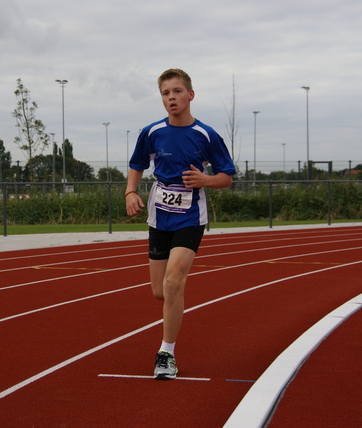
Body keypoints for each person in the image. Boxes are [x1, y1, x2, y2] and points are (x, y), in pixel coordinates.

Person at [125, 68, 236, 379]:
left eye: (176, 91)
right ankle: (174, 304)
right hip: (160, 214)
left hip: (190, 215)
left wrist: (206, 180)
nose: (171, 98)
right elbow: (137, 164)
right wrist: (130, 191)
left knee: (174, 283)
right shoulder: (152, 132)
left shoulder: (207, 135)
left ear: (190, 95)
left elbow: (226, 176)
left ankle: (166, 354)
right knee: (160, 291)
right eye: (165, 93)